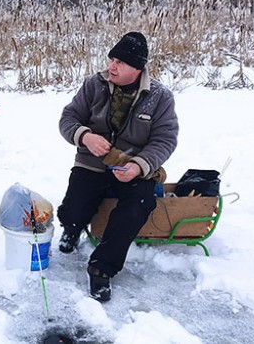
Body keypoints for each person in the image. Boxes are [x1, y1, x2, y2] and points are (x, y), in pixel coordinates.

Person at [57, 32, 179, 302]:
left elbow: (165, 139)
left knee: (141, 203)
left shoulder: (160, 97)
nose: (111, 66)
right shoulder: (94, 85)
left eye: (120, 62)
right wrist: (84, 136)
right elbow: (68, 118)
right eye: (111, 58)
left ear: (138, 68)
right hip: (91, 163)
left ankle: (102, 267)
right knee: (74, 208)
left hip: (132, 169)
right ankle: (72, 227)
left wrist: (139, 165)